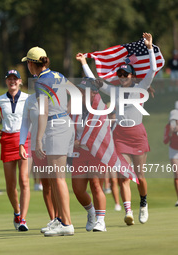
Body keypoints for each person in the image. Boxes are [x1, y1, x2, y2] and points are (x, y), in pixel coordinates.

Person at [77, 33, 155, 225]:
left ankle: (143, 203)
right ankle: (128, 211)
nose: (121, 78)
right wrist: (83, 63)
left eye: (125, 74)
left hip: (137, 134)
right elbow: (95, 81)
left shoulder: (142, 87)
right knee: (123, 176)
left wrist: (150, 47)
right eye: (119, 75)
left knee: (140, 176)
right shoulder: (115, 91)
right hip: (119, 135)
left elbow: (152, 69)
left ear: (131, 75)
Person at [21, 47, 76, 236]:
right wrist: (65, 111)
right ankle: (60, 219)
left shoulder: (41, 81)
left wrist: (38, 140)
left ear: (31, 64)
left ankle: (67, 224)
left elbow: (43, 112)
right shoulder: (57, 75)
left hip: (55, 127)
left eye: (27, 62)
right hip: (64, 124)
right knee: (54, 178)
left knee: (58, 178)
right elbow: (77, 93)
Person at [0, 70, 30, 231]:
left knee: (24, 180)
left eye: (15, 79)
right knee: (11, 185)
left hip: (24, 140)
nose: (12, 82)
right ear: (6, 81)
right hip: (7, 140)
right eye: (9, 79)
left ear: (20, 81)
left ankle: (23, 219)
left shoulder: (28, 98)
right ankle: (17, 212)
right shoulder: (0, 100)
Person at [70, 78, 107, 232]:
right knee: (78, 189)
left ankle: (100, 221)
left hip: (96, 151)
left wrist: (83, 141)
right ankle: (91, 213)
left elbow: (100, 132)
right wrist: (72, 142)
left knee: (96, 184)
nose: (80, 93)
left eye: (84, 91)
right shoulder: (75, 108)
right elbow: (70, 128)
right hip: (79, 153)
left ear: (93, 93)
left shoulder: (101, 108)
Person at [19, 92, 57, 233]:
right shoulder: (30, 100)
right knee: (46, 184)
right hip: (37, 147)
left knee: (56, 182)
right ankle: (53, 220)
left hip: (54, 144)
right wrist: (21, 143)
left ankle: (61, 219)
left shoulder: (55, 97)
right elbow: (25, 123)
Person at [164, 101, 178, 206]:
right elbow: (165, 141)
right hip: (173, 150)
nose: (174, 122)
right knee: (177, 175)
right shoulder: (168, 127)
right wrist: (170, 133)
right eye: (173, 120)